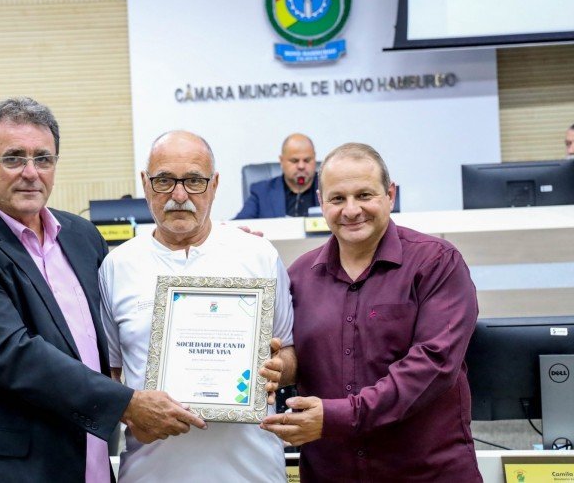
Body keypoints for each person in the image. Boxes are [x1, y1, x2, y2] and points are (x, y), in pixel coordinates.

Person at [0, 98, 205, 483]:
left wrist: (211, 252)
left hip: (88, 460)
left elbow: (126, 315)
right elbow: (15, 354)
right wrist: (129, 405)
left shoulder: (81, 236)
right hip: (8, 471)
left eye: (43, 159)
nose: (31, 173)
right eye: (14, 158)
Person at [260, 143, 482, 482]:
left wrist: (339, 416)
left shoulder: (437, 263)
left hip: (426, 473)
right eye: (337, 199)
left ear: (390, 195)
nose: (351, 210)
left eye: (364, 195)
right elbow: (293, 357)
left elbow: (434, 365)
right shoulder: (299, 277)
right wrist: (278, 367)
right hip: (331, 473)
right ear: (321, 202)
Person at [99, 130, 295, 482]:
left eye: (193, 180)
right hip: (151, 473)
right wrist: (131, 413)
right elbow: (111, 375)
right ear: (145, 184)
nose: (179, 195)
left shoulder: (258, 255)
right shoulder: (117, 266)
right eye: (164, 181)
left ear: (215, 184)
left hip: (253, 472)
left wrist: (278, 369)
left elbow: (291, 354)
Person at [235, 133, 318, 219]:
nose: (301, 166)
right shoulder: (261, 192)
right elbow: (239, 225)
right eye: (294, 161)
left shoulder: (328, 190)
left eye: (307, 160)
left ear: (314, 158)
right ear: (281, 161)